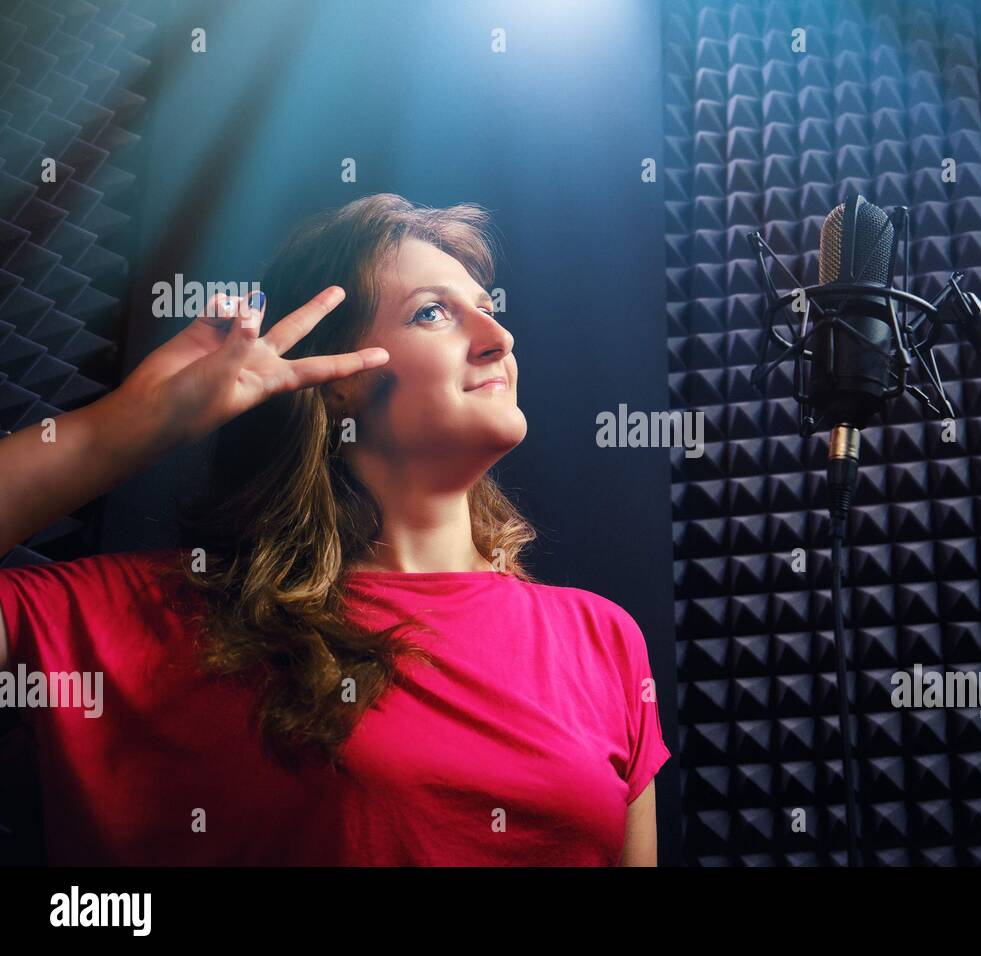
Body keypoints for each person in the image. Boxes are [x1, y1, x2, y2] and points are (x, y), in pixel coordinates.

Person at [0, 193, 670, 866]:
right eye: (432, 312)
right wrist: (129, 425)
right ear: (333, 382)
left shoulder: (603, 641)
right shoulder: (164, 617)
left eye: (488, 309)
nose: (499, 338)